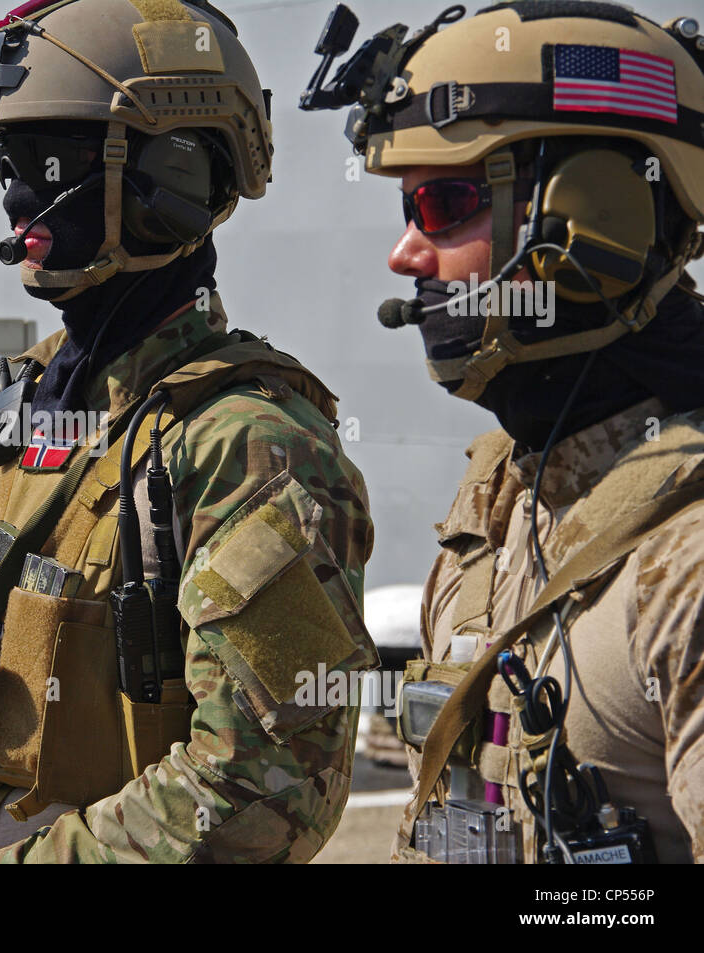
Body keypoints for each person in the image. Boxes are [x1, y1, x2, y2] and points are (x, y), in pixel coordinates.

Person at [0, 0, 377, 864]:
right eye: (9, 159)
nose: (18, 192)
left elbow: (262, 789)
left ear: (171, 183)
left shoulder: (245, 443)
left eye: (52, 158)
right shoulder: (21, 402)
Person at [301, 1, 704, 862]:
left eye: (442, 204)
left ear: (594, 221)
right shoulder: (509, 493)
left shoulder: (688, 554)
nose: (405, 258)